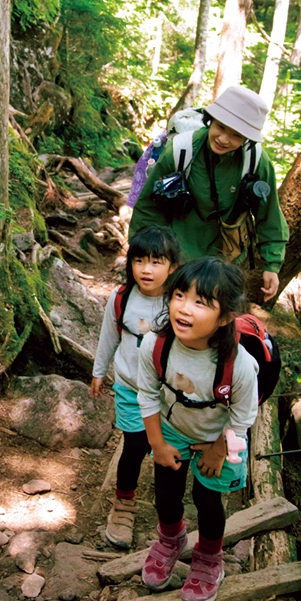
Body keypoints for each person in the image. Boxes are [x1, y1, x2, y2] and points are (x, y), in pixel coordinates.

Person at [137, 257, 258, 601]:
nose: (184, 309)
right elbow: (146, 393)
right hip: (173, 427)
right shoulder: (156, 345)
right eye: (178, 295)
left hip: (222, 436)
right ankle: (171, 538)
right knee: (166, 490)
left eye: (201, 302)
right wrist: (157, 443)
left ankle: (209, 556)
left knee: (208, 501)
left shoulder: (240, 365)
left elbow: (243, 415)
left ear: (224, 317)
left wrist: (219, 449)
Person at [128, 86, 289, 302]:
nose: (223, 139)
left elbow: (269, 215)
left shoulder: (256, 163)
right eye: (220, 127)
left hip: (223, 260)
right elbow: (148, 207)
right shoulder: (180, 150)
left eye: (236, 135)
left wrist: (272, 264)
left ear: (247, 139)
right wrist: (142, 256)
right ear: (210, 120)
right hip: (175, 251)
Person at [91, 226, 181, 549]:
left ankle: (169, 516)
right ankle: (123, 504)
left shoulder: (178, 303)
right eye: (139, 260)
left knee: (167, 452)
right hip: (130, 390)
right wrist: (98, 372)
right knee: (134, 447)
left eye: (157, 262)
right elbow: (109, 337)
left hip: (167, 396)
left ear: (172, 267)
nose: (146, 269)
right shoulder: (121, 299)